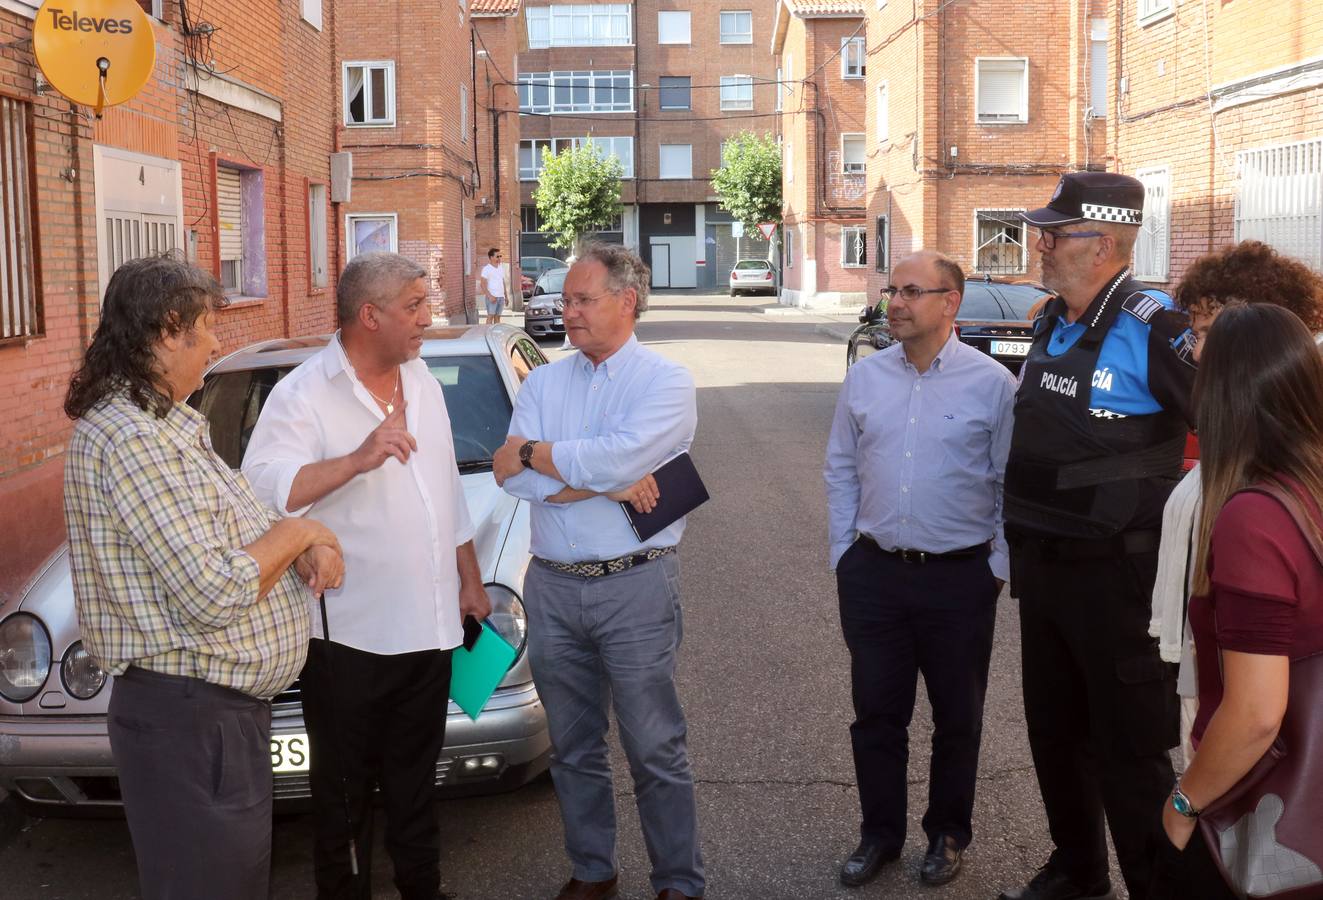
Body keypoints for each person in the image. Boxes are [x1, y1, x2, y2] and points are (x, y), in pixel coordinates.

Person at [62, 254, 344, 900]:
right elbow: (214, 591)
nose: (218, 341)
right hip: (189, 719)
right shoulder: (131, 439)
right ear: (167, 330)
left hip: (209, 717)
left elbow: (231, 529)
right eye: (207, 326)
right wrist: (302, 532)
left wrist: (295, 542)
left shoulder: (164, 427)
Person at [242, 252, 491, 900]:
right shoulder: (303, 394)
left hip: (430, 630)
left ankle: (421, 888)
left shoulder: (425, 383)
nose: (427, 317)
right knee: (344, 797)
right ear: (369, 314)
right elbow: (267, 490)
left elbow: (446, 495)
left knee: (415, 785)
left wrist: (469, 579)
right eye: (414, 305)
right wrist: (356, 458)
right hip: (347, 640)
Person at [998, 172, 1197, 900]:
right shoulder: (1052, 317)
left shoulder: (1156, 327)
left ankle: (1157, 885)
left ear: (1103, 243)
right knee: (1053, 736)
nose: (1039, 244)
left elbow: (1234, 429)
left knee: (1129, 753)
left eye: (1054, 233)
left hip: (1120, 583)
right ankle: (1077, 872)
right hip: (1043, 570)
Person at [492, 243, 704, 900]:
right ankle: (593, 871)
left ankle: (677, 881)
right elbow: (509, 473)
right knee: (574, 749)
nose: (567, 310)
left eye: (583, 300)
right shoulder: (544, 381)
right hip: (552, 585)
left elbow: (604, 460)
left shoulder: (665, 382)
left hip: (635, 585)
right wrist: (606, 482)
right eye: (567, 300)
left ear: (626, 302)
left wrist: (549, 460)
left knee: (653, 748)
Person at [824, 251, 1015, 889]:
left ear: (949, 302)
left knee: (957, 716)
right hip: (874, 574)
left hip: (960, 580)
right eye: (891, 291)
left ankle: (947, 834)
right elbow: (841, 467)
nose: (894, 304)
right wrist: (844, 552)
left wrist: (996, 566)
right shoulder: (865, 378)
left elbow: (1007, 483)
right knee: (876, 714)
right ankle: (879, 834)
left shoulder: (992, 384)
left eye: (910, 292)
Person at [1147, 303, 1323, 899]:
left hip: (1263, 796)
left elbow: (1254, 715)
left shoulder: (1253, 516)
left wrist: (1183, 802)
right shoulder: (1311, 487)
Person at [1149, 241, 1323, 766]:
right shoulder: (1254, 439)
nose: (1195, 350)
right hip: (1218, 659)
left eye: (1206, 331)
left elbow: (1255, 711)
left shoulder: (1267, 477)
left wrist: (1186, 806)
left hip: (1246, 680)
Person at [481, 247, 508, 324]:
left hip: (501, 297)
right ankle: (487, 334)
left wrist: (506, 296)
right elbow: (482, 284)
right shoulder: (486, 269)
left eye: (500, 256)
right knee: (491, 316)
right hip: (492, 297)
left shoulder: (500, 267)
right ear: (491, 257)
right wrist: (490, 296)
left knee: (498, 317)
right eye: (497, 256)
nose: (499, 258)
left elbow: (502, 282)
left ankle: (496, 334)